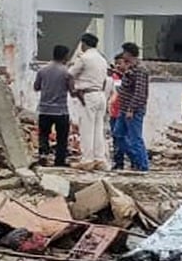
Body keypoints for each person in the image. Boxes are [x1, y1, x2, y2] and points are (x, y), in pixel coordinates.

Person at [68, 33, 111, 170]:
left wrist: (73, 90)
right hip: (100, 94)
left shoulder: (84, 58)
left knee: (87, 128)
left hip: (87, 95)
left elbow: (70, 74)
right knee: (99, 128)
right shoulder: (102, 59)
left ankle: (87, 159)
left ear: (84, 44)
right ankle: (100, 158)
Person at [33, 44, 74, 167]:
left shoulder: (42, 70)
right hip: (61, 111)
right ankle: (59, 161)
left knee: (43, 135)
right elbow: (72, 91)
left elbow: (36, 87)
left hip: (45, 109)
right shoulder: (67, 72)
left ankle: (43, 155)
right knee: (62, 137)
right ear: (65, 56)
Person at [113, 42, 150, 171]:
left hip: (132, 110)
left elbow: (140, 92)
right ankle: (135, 159)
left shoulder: (140, 70)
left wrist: (131, 109)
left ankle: (143, 165)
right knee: (118, 134)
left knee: (135, 138)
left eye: (124, 53)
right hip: (123, 109)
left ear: (128, 53)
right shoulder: (131, 68)